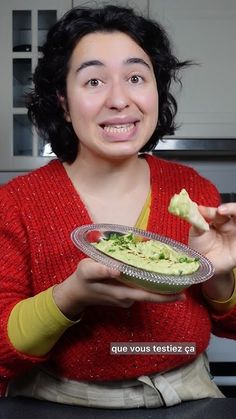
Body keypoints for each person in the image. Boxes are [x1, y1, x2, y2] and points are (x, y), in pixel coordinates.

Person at [0, 4, 236, 409]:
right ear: (62, 100)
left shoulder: (193, 190)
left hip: (188, 395)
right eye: (93, 81)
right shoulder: (16, 203)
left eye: (135, 77)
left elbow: (230, 322)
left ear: (155, 90)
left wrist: (219, 277)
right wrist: (69, 297)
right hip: (57, 400)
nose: (119, 99)